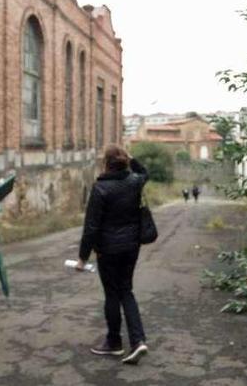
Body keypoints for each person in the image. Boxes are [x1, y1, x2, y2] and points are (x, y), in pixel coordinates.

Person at [77, 145, 150, 365]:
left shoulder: (100, 188)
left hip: (107, 250)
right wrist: (133, 157)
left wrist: (82, 257)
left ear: (105, 163)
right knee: (126, 290)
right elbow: (145, 173)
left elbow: (91, 227)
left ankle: (114, 342)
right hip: (131, 247)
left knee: (112, 294)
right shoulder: (135, 182)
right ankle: (138, 341)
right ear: (124, 161)